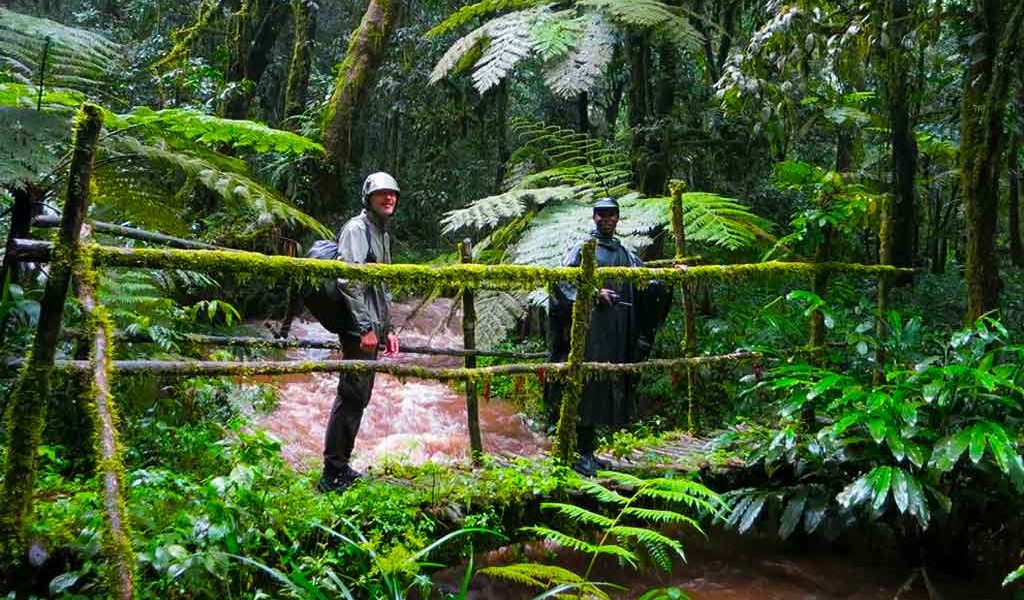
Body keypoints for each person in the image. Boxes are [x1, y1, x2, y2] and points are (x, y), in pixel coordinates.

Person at [547, 197, 668, 476]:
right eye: (601, 214)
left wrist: (666, 279)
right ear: (594, 217)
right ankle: (578, 453)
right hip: (588, 335)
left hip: (613, 334)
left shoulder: (624, 253)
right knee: (585, 387)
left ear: (617, 218)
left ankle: (589, 452)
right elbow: (561, 281)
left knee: (603, 389)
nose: (606, 219)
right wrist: (593, 294)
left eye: (611, 214)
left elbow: (643, 280)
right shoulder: (581, 249)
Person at [317, 172, 401, 493]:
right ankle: (331, 473)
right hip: (358, 329)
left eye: (392, 194)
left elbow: (383, 286)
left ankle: (341, 466)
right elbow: (349, 281)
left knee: (359, 397)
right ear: (368, 197)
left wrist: (388, 328)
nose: (388, 198)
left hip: (372, 329)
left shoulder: (382, 234)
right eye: (381, 194)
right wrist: (365, 328)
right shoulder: (357, 229)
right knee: (350, 395)